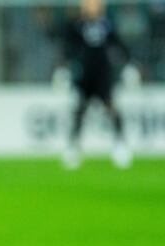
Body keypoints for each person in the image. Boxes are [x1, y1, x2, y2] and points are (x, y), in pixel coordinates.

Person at [54, 0, 140, 169]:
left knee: (112, 108)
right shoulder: (77, 25)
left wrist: (130, 65)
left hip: (103, 74)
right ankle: (74, 146)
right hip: (84, 74)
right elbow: (67, 48)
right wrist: (62, 68)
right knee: (79, 109)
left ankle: (120, 144)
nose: (91, 6)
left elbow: (120, 44)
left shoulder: (106, 25)